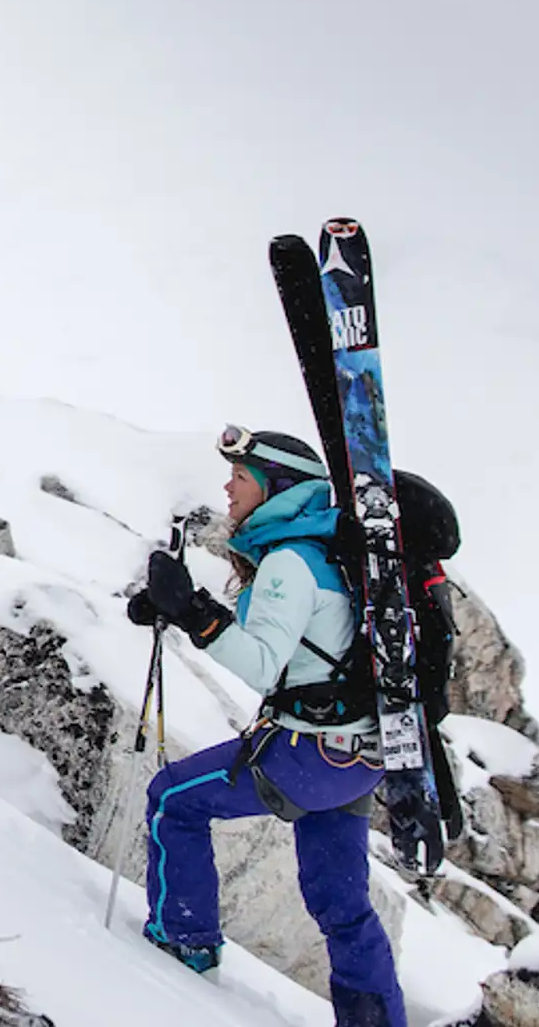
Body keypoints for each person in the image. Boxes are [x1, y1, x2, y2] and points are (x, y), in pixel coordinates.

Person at [125, 426, 410, 1027]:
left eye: (241, 476)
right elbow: (305, 649)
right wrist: (185, 611)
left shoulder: (288, 561)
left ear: (276, 487)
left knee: (172, 799)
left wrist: (192, 614)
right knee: (342, 904)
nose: (228, 487)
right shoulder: (325, 554)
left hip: (306, 757)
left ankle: (186, 940)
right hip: (356, 761)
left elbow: (262, 662)